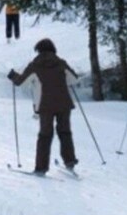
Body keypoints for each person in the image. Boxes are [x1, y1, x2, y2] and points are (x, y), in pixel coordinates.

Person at [8, 38, 79, 175]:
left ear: (38, 50)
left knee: (45, 135)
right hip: (64, 103)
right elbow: (74, 79)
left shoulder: (35, 65)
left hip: (45, 105)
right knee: (65, 132)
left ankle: (41, 168)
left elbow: (21, 82)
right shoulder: (61, 63)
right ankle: (70, 162)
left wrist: (13, 76)